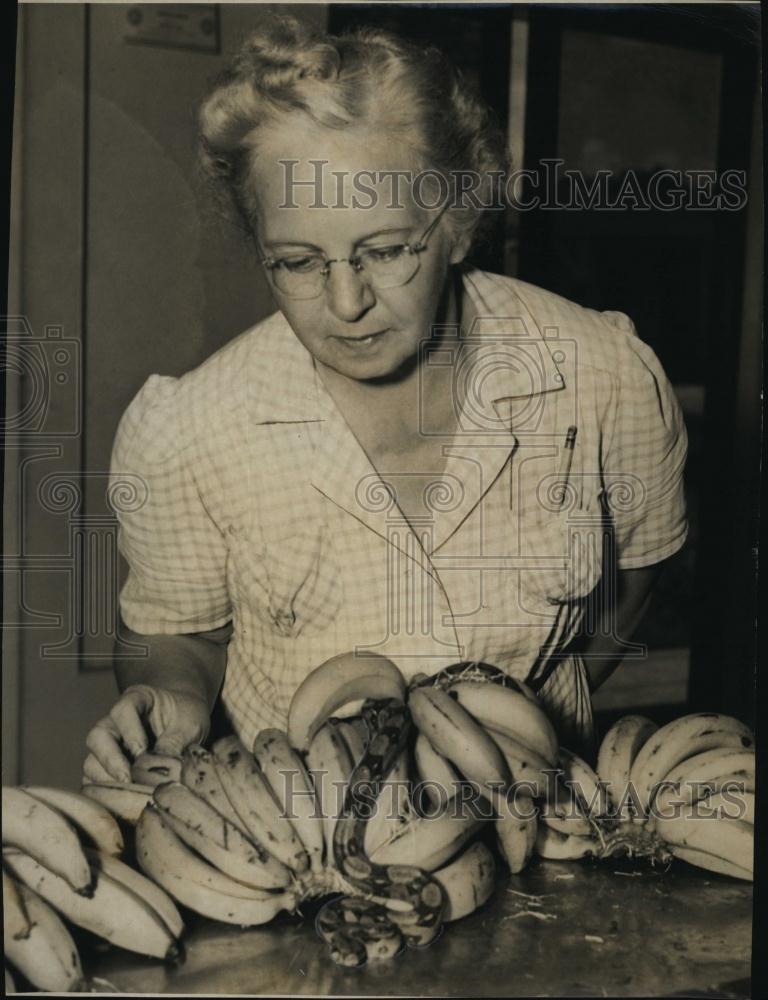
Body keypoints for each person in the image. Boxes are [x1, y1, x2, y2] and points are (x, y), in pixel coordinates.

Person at [84, 14, 687, 783]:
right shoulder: (186, 429)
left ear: (460, 221)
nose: (345, 303)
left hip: (535, 818)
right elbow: (176, 634)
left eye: (386, 249)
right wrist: (168, 693)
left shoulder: (606, 380)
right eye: (298, 262)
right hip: (291, 834)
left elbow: (638, 572)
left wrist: (543, 717)